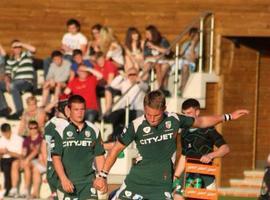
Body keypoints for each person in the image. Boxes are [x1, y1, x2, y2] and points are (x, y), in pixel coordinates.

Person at [94, 90, 249, 200]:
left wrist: (228, 116)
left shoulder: (174, 119)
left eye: (156, 115)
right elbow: (116, 149)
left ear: (164, 110)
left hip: (162, 185)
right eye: (148, 114)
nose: (152, 119)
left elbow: (202, 121)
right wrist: (102, 175)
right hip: (136, 181)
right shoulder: (135, 125)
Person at [173, 98, 230, 200]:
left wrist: (210, 155)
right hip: (189, 174)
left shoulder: (208, 129)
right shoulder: (184, 131)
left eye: (189, 113)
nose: (186, 116)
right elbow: (184, 155)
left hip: (206, 175)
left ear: (197, 112)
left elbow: (225, 148)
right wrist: (176, 176)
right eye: (184, 113)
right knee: (177, 196)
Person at [51, 95, 106, 199]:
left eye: (82, 109)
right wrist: (63, 179)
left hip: (89, 184)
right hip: (68, 184)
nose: (80, 113)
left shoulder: (94, 129)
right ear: (69, 110)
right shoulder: (59, 130)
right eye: (76, 109)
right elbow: (56, 158)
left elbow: (99, 156)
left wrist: (102, 178)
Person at [104, 67, 148, 141]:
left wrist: (139, 80)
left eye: (134, 74)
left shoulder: (141, 84)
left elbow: (146, 88)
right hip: (125, 109)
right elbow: (112, 85)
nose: (132, 76)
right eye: (130, 74)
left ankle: (116, 137)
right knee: (114, 116)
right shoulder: (125, 83)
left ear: (137, 75)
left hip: (137, 110)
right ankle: (115, 137)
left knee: (123, 118)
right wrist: (122, 76)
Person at [0, 40, 36, 119]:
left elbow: (33, 49)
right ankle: (4, 108)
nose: (17, 48)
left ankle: (19, 112)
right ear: (12, 49)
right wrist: (7, 82)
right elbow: (7, 74)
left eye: (19, 47)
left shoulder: (26, 55)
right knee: (7, 84)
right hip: (15, 82)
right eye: (15, 47)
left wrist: (21, 43)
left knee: (13, 85)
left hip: (26, 81)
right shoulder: (10, 60)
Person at [42, 98, 70, 200]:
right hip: (59, 164)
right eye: (69, 108)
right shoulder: (60, 125)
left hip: (54, 164)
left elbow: (44, 146)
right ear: (63, 109)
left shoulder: (51, 122)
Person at [143, 25, 172, 94]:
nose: (146, 36)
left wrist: (154, 47)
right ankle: (161, 87)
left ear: (153, 33)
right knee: (158, 66)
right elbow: (146, 56)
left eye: (148, 34)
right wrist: (156, 57)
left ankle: (160, 88)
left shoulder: (163, 41)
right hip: (154, 61)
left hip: (164, 60)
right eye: (146, 34)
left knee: (163, 66)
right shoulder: (146, 42)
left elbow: (167, 52)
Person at [21, 120, 43, 198]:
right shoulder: (27, 139)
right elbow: (23, 153)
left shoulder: (41, 138)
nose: (33, 130)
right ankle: (27, 189)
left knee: (33, 168)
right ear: (28, 129)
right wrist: (23, 159)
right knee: (26, 165)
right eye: (31, 128)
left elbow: (37, 151)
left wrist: (27, 159)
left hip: (40, 160)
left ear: (38, 128)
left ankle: (31, 191)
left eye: (35, 128)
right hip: (31, 161)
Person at [0, 123, 23, 197]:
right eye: (4, 133)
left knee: (8, 166)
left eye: (7, 133)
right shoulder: (1, 139)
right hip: (4, 158)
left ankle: (9, 189)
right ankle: (5, 189)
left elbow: (21, 155)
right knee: (5, 164)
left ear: (10, 131)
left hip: (15, 158)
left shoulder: (18, 139)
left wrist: (8, 152)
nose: (5, 135)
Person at [178, 27, 200, 95]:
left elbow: (193, 59)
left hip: (192, 64)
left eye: (195, 36)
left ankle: (182, 88)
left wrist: (193, 46)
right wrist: (185, 57)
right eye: (192, 36)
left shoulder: (199, 45)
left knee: (185, 67)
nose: (193, 38)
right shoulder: (186, 44)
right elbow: (180, 54)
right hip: (183, 62)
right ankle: (181, 87)